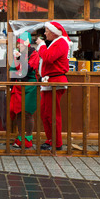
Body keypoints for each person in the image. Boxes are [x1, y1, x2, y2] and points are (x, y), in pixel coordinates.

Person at [36, 22, 71, 150]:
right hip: (50, 82)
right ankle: (51, 139)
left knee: (52, 113)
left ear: (54, 32)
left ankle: (57, 142)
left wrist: (41, 45)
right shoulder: (58, 42)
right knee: (45, 112)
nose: (45, 33)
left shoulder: (61, 42)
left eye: (46, 30)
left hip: (55, 82)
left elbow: (48, 58)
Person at [10, 31, 39, 148]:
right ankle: (20, 137)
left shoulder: (34, 54)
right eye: (17, 43)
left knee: (28, 113)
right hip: (19, 86)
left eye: (20, 43)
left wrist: (20, 58)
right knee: (18, 113)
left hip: (30, 87)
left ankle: (28, 137)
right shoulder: (19, 54)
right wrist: (11, 86)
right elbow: (13, 70)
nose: (18, 46)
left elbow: (30, 68)